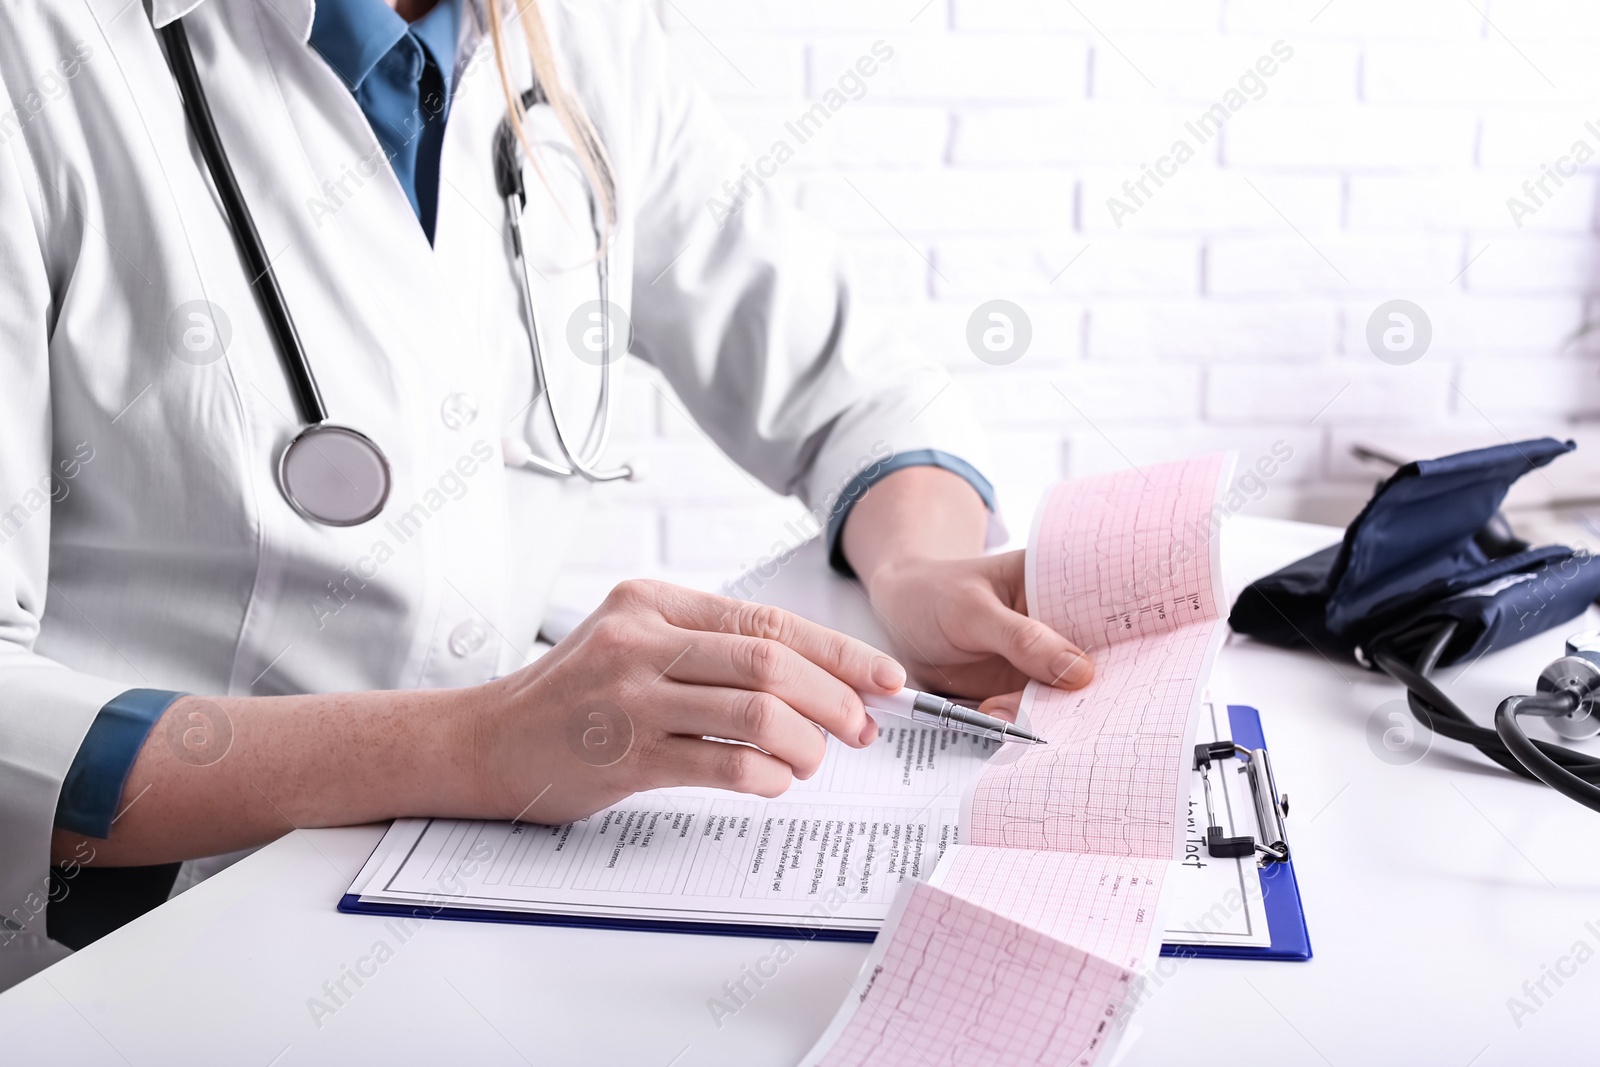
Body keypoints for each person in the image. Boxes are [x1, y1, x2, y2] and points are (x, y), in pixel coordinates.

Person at [0, 0, 1093, 967]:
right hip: (141, 935)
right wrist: (468, 743)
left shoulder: (582, 38)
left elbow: (848, 385)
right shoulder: (35, 53)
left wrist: (919, 568)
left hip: (472, 890)